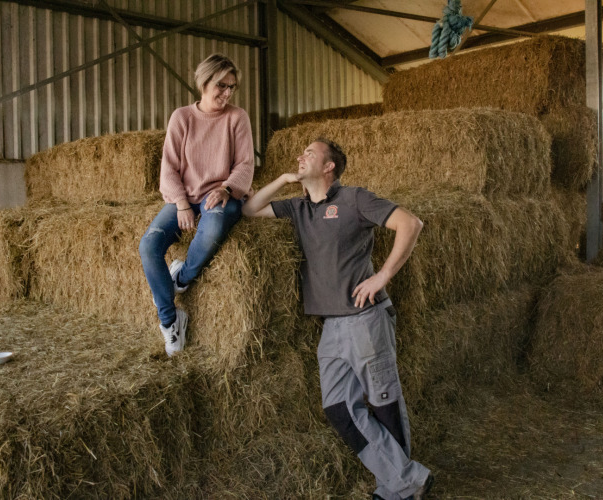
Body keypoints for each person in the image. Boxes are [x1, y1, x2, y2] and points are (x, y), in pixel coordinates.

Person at [242, 139, 434, 500]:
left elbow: (411, 223)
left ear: (329, 167)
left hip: (366, 319)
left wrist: (382, 277)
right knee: (338, 409)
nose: (300, 157)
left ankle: (398, 491)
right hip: (331, 326)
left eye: (309, 153)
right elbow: (249, 210)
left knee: (384, 403)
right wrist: (284, 179)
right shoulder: (298, 207)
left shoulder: (354, 199)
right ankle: (408, 480)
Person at [139, 54, 254, 357]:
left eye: (232, 87)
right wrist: (181, 203)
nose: (227, 93)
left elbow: (245, 163)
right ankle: (170, 321)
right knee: (148, 246)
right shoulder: (182, 117)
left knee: (212, 227)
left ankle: (182, 277)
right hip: (186, 195)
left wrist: (226, 188)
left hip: (222, 194)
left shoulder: (237, 117)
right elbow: (168, 168)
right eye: (221, 86)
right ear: (204, 82)